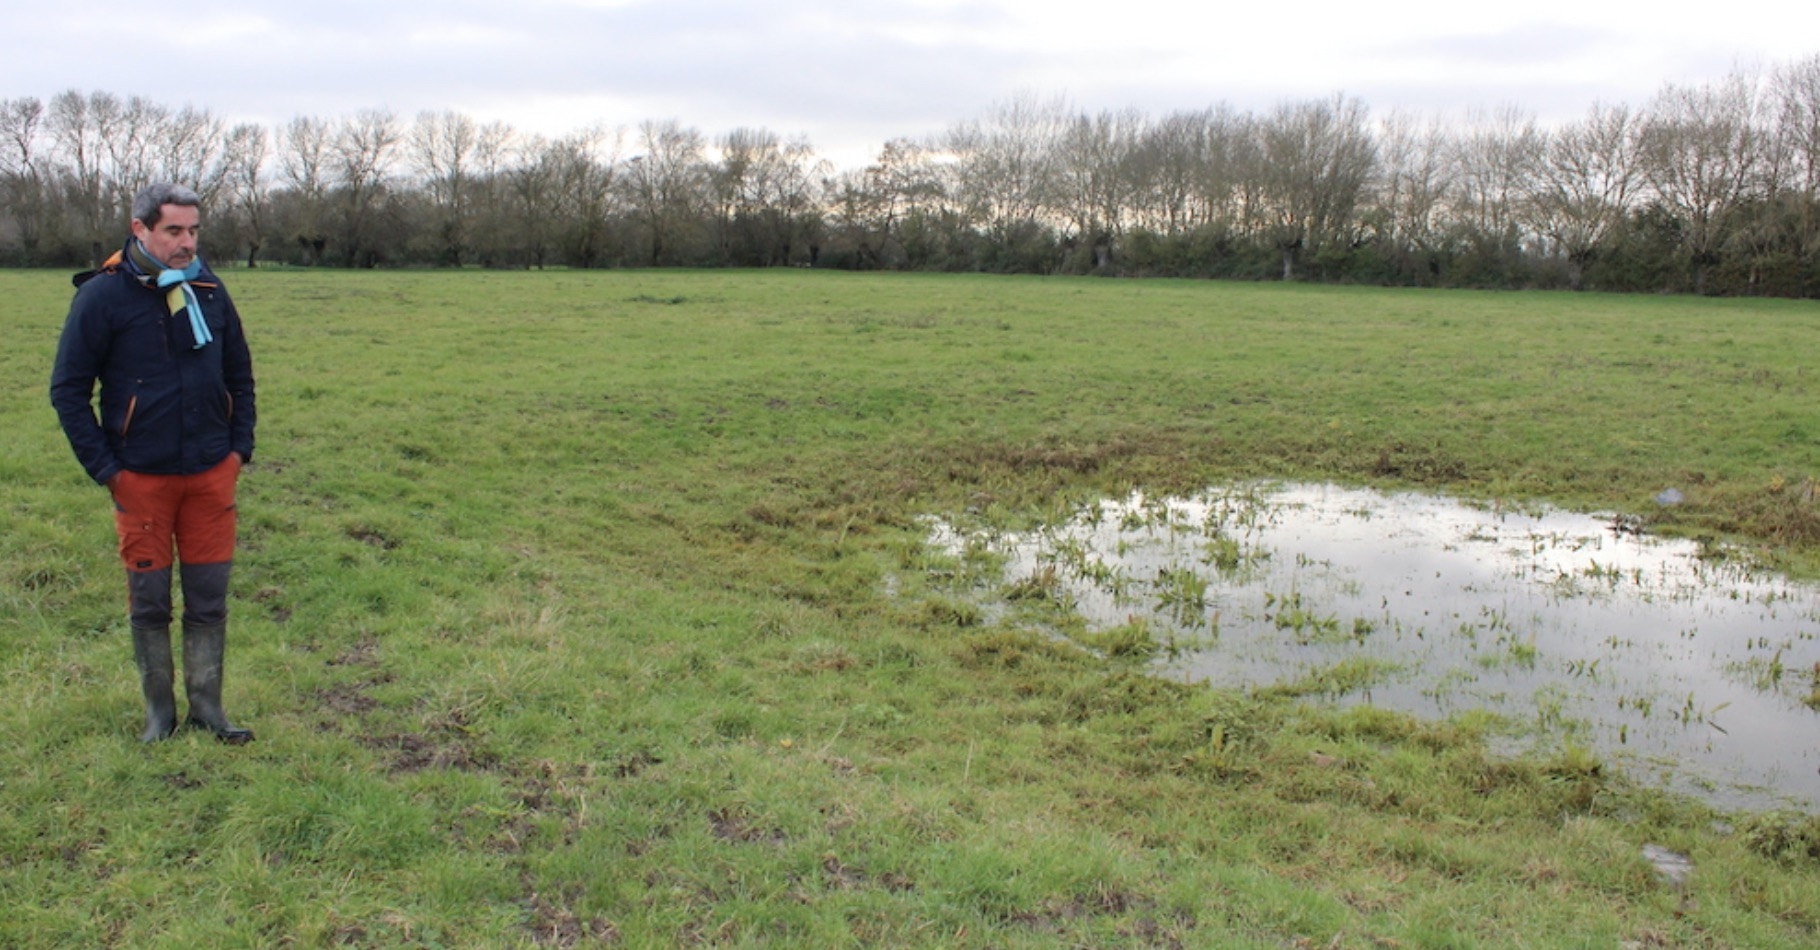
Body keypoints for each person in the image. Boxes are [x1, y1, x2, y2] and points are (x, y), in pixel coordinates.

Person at [50, 182, 257, 744]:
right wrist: (107, 470)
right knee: (149, 604)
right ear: (140, 228)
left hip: (211, 474)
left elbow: (238, 372)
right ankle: (159, 716)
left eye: (193, 231)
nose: (187, 242)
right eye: (174, 231)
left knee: (209, 598)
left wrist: (239, 450)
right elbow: (68, 390)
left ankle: (209, 709)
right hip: (140, 478)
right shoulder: (103, 297)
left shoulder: (209, 289)